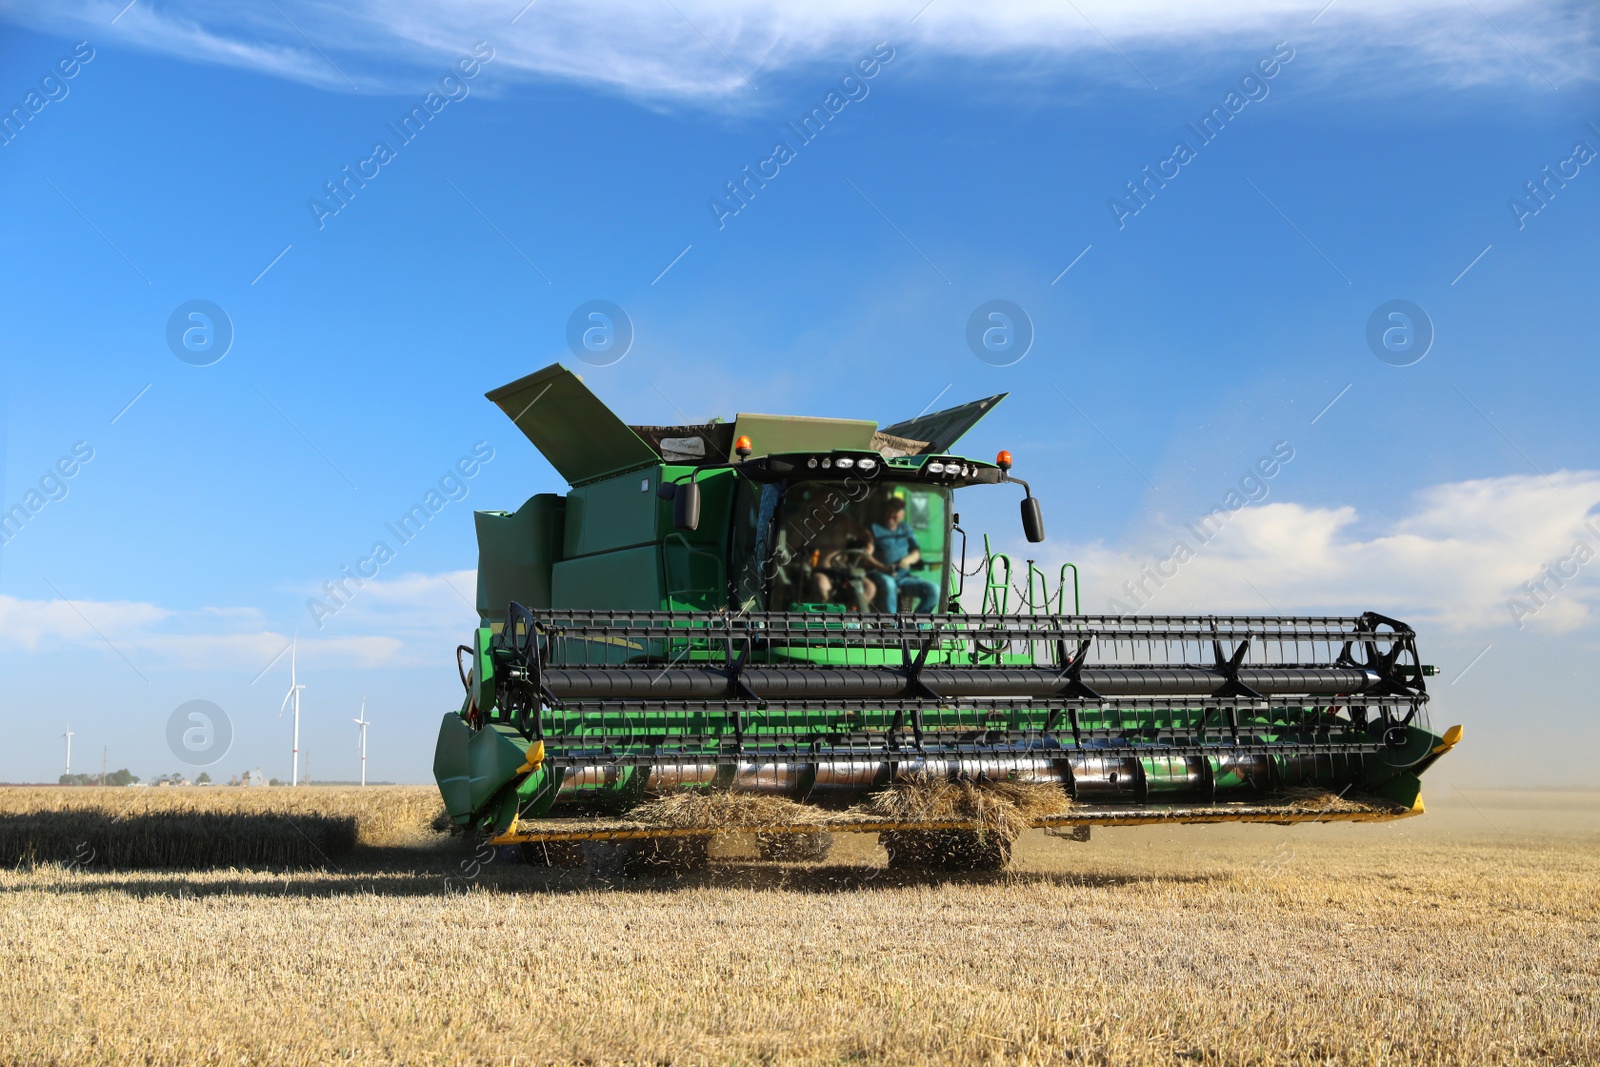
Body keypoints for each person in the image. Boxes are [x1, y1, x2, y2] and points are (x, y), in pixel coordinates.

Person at [865, 495, 940, 613]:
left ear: (902, 515)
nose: (891, 514)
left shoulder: (905, 529)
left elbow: (916, 552)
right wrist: (883, 567)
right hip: (880, 574)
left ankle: (914, 626)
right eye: (889, 510)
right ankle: (890, 627)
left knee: (934, 590)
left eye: (895, 512)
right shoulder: (874, 529)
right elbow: (866, 555)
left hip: (903, 577)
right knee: (889, 584)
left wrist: (907, 560)